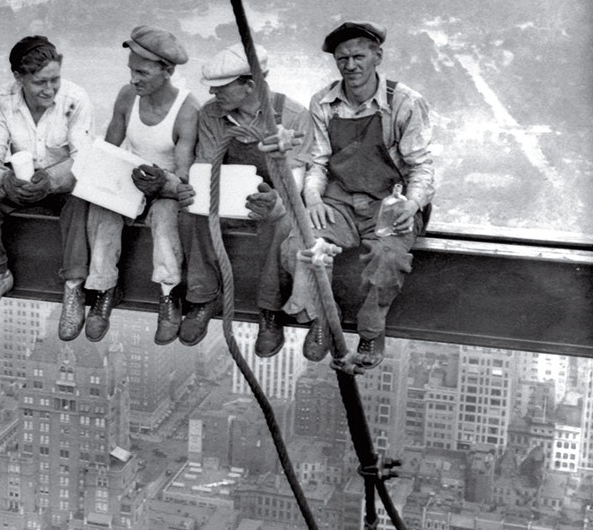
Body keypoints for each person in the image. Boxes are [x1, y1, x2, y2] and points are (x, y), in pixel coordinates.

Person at [281, 21, 435, 369]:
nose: (350, 66)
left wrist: (411, 204)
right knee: (299, 246)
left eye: (358, 57)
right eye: (342, 59)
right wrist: (313, 199)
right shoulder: (323, 102)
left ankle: (371, 330)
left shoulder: (404, 102)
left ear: (377, 56)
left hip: (389, 203)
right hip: (339, 201)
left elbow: (421, 167)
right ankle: (324, 317)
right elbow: (318, 162)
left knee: (388, 258)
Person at [178, 43, 310, 357]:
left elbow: (296, 177)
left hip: (275, 196)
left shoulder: (293, 116)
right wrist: (194, 190)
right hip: (228, 193)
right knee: (192, 213)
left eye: (221, 87)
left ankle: (270, 310)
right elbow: (207, 165)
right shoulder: (212, 114)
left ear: (250, 85)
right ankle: (203, 297)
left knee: (281, 224)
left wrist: (276, 201)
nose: (212, 92)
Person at [0, 35, 93, 333]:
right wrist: (5, 179)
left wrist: (50, 180)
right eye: (40, 82)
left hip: (62, 181)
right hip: (21, 179)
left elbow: (82, 158)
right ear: (19, 78)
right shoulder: (1, 99)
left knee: (82, 198)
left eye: (54, 80)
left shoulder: (75, 99)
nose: (49, 89)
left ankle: (74, 286)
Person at [83, 26, 200, 343]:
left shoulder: (187, 110)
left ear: (168, 71)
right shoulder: (127, 96)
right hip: (130, 180)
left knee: (164, 218)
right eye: (131, 71)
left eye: (142, 73)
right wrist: (100, 180)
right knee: (103, 210)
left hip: (165, 188)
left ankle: (169, 293)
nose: (134, 79)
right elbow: (110, 148)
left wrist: (162, 183)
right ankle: (104, 288)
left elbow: (184, 172)